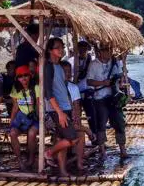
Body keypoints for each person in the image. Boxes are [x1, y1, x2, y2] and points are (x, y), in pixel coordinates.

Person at [42, 37, 84, 176]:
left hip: (64, 108)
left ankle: (63, 171)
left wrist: (70, 108)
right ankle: (49, 153)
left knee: (62, 140)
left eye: (62, 47)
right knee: (73, 138)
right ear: (50, 50)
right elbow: (48, 92)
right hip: (56, 109)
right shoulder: (48, 67)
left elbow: (62, 89)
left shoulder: (58, 66)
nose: (61, 49)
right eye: (57, 47)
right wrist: (59, 112)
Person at [87, 45, 128, 163]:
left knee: (119, 122)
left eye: (110, 50)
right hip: (99, 98)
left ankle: (123, 150)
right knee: (101, 124)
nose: (109, 53)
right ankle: (102, 151)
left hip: (113, 97)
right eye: (106, 50)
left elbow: (120, 76)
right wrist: (103, 82)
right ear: (100, 52)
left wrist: (117, 80)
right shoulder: (93, 64)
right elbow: (89, 81)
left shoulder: (114, 62)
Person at [8, 65, 39, 170]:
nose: (24, 78)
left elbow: (39, 105)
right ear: (17, 78)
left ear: (30, 76)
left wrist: (41, 120)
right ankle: (20, 160)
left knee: (32, 133)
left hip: (34, 117)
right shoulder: (15, 89)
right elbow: (15, 107)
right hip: (21, 118)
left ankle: (31, 158)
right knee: (12, 133)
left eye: (26, 75)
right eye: (20, 76)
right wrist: (11, 122)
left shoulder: (36, 87)